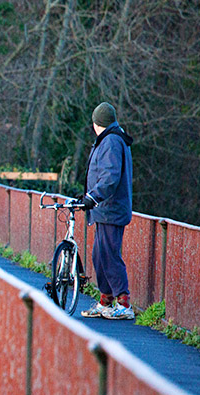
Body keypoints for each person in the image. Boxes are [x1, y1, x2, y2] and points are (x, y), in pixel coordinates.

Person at [79, 102, 134, 320]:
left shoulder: (111, 141)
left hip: (111, 208)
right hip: (104, 209)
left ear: (96, 123)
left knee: (109, 255)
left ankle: (123, 302)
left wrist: (93, 196)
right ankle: (106, 300)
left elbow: (110, 177)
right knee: (100, 254)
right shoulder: (111, 138)